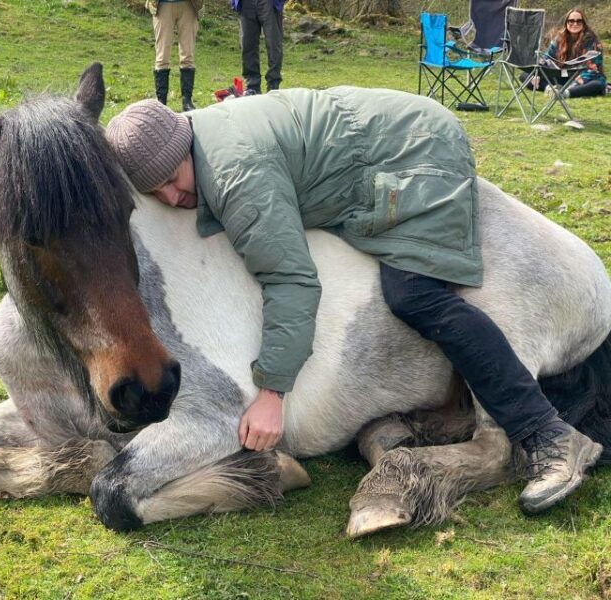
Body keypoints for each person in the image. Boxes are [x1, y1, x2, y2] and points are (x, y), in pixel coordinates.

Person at [105, 90, 604, 514]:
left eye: (173, 179)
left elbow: (293, 281)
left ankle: (549, 436)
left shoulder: (237, 175)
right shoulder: (204, 144)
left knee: (414, 295)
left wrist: (272, 394)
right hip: (380, 157)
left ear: (186, 144)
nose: (170, 197)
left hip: (415, 157)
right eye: (156, 191)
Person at [527, 8, 605, 98]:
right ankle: (550, 89)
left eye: (579, 21)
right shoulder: (559, 39)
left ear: (583, 24)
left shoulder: (593, 42)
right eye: (571, 21)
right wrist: (537, 73)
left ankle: (566, 93)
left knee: (598, 85)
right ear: (566, 23)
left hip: (582, 77)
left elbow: (594, 69)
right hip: (562, 74)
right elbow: (546, 58)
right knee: (527, 75)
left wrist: (576, 82)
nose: (575, 24)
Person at [146, 0, 203, 112]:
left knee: (188, 55)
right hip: (162, 4)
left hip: (189, 5)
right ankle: (161, 103)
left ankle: (187, 101)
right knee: (162, 56)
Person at [231, 0, 284, 95]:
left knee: (273, 44)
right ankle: (252, 86)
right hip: (245, 3)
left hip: (269, 3)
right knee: (247, 44)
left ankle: (273, 86)